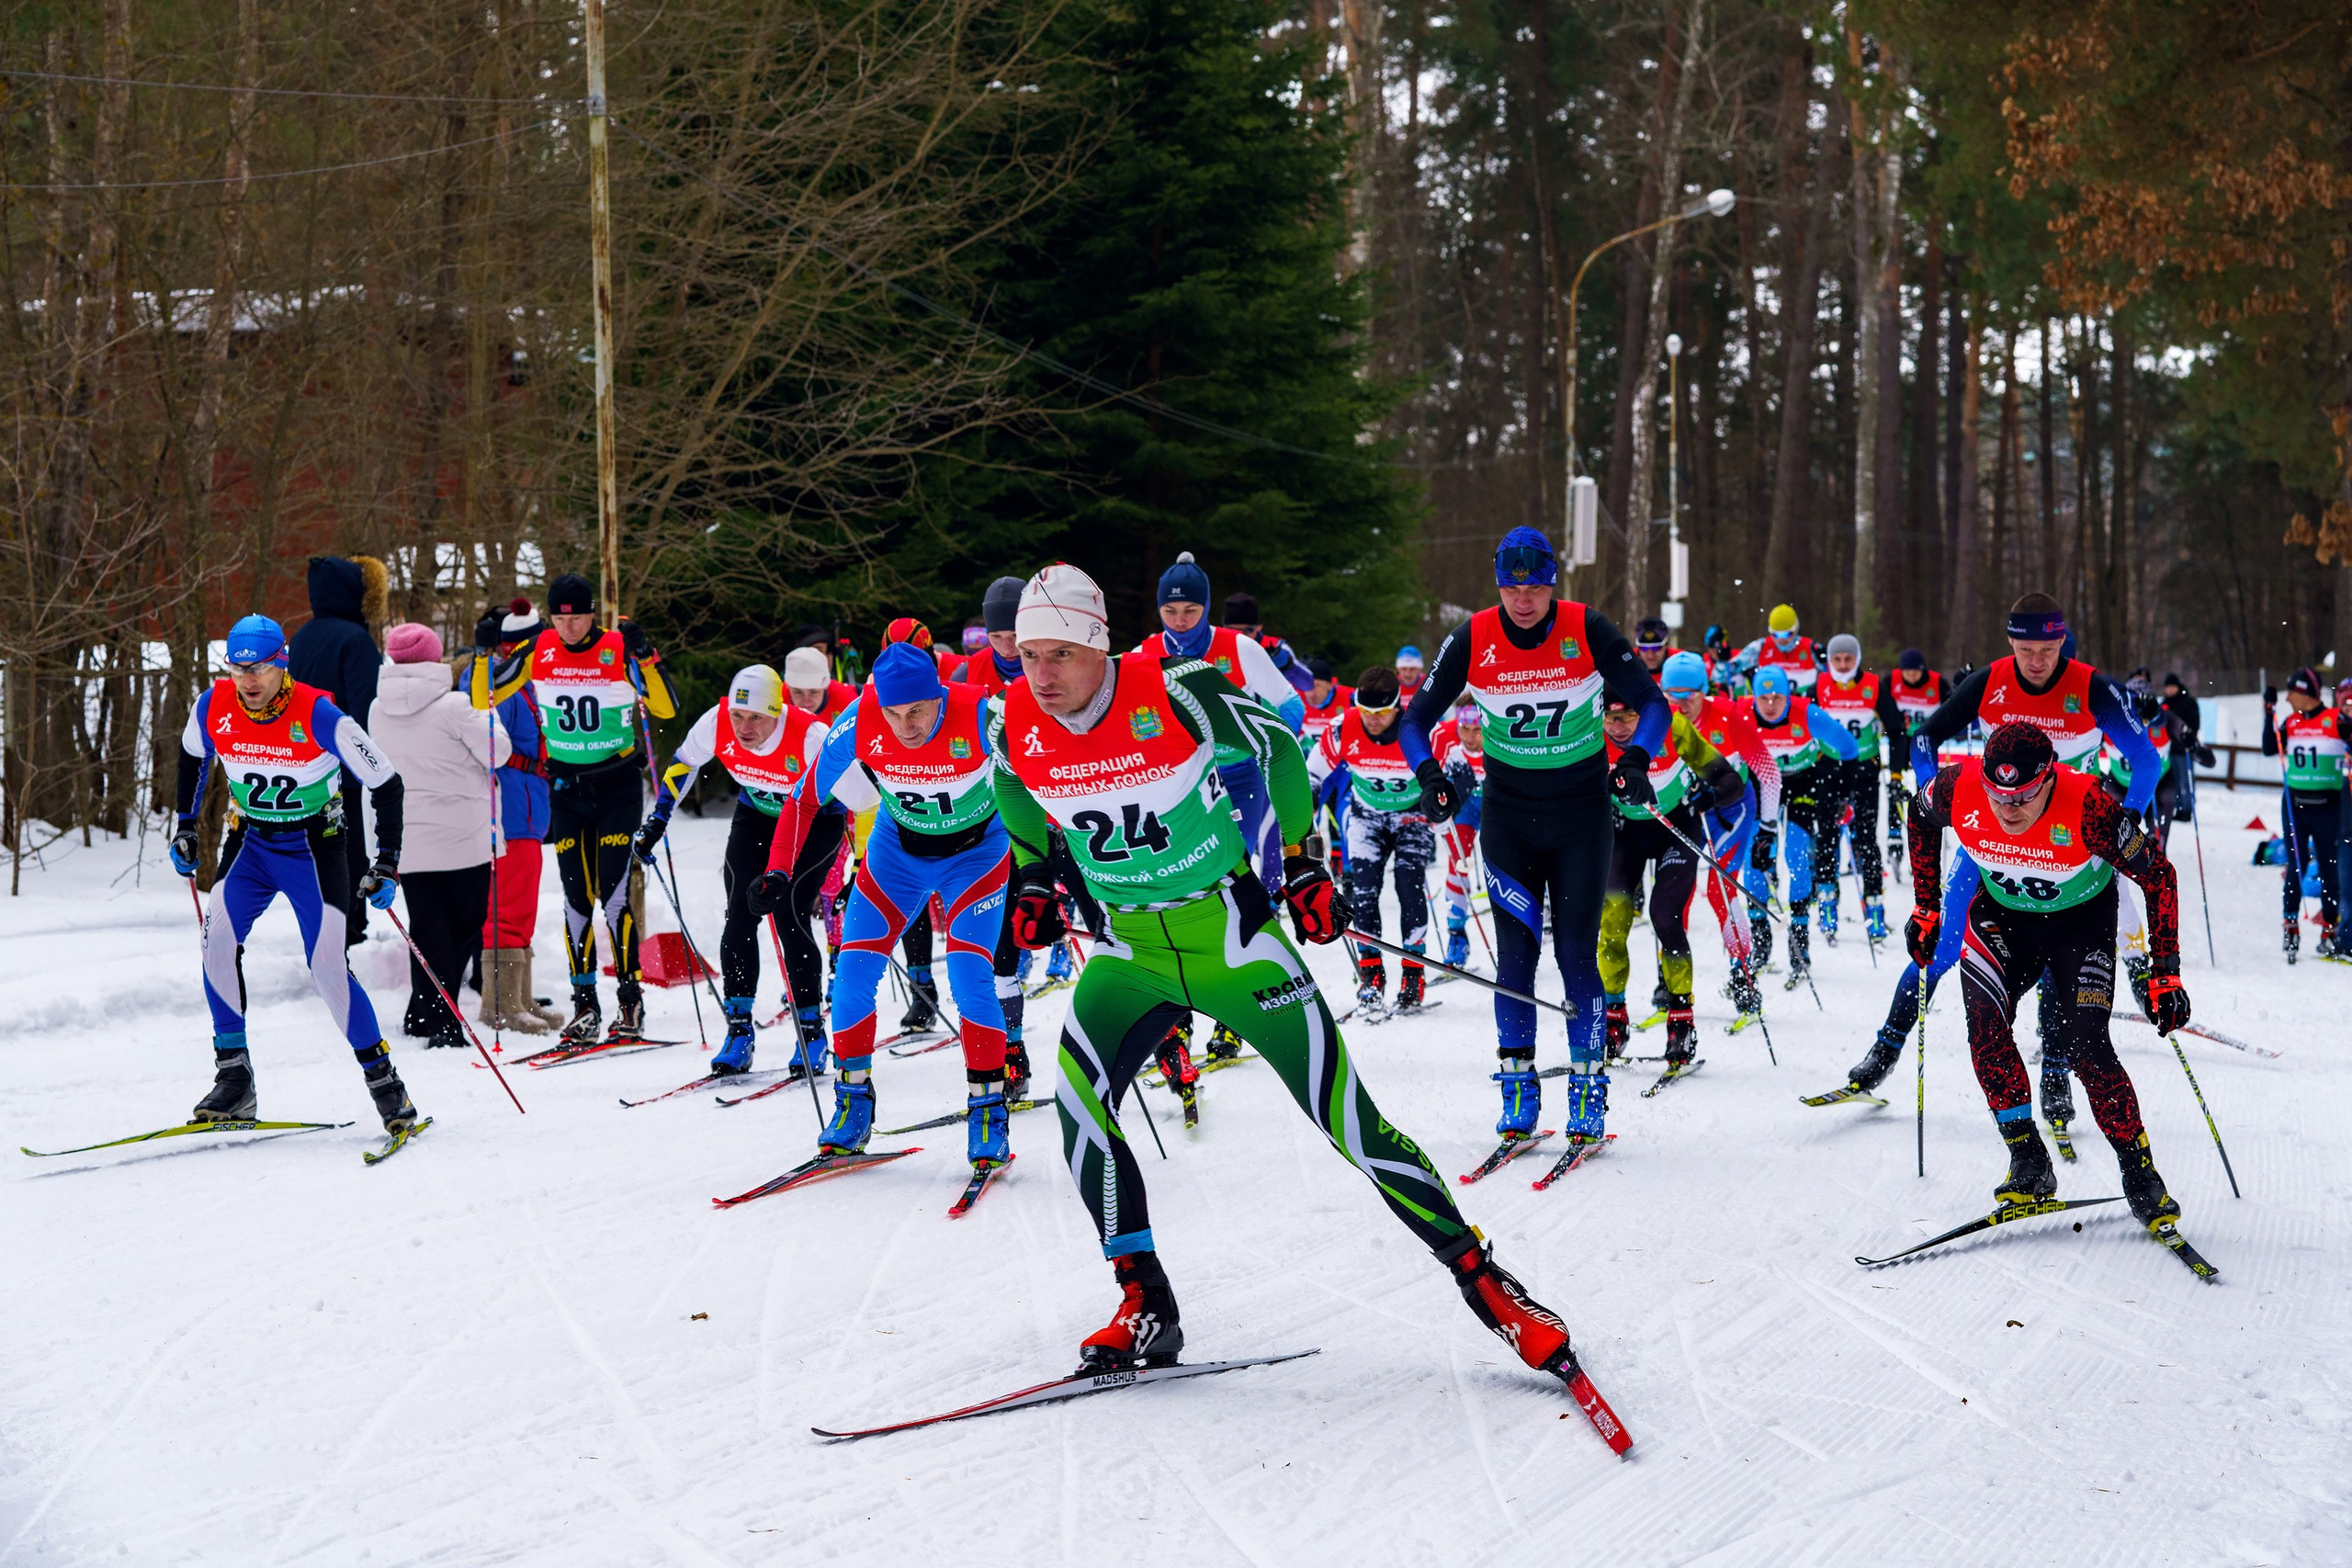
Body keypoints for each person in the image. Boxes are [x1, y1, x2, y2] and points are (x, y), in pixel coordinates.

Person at [990, 561, 1593, 1394]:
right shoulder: (1013, 715)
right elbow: (1010, 787)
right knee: (1077, 1108)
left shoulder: (1178, 688)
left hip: (1233, 942)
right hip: (1129, 954)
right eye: (1029, 655)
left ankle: (1493, 1290)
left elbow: (1278, 745)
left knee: (1351, 1122)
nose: (1042, 675)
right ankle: (1144, 1302)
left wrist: (1304, 859)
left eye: (1059, 653)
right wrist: (1029, 875)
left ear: (1097, 642)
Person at [1831, 594, 2160, 1136]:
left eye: (2048, 649)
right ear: (2011, 642)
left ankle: (2055, 1075)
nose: (2036, 660)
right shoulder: (1988, 682)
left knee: (2063, 957)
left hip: (2069, 845)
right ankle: (1885, 1049)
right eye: (2026, 649)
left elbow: (2145, 760)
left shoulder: (2091, 688)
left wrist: (2122, 827)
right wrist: (1933, 799)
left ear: (2062, 643)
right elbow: (1924, 736)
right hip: (1995, 841)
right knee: (1941, 943)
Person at [1400, 526, 1671, 1148]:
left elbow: (1652, 704)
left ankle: (1587, 1085)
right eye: (1510, 584)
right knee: (1515, 955)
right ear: (1498, 584)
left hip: (1580, 815)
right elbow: (1416, 717)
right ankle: (1517, 1086)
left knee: (1576, 950)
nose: (1523, 597)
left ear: (1553, 581)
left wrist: (1633, 761)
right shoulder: (1473, 636)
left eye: (1535, 584)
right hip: (1509, 818)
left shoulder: (1587, 627)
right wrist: (1429, 774)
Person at [1902, 721, 2191, 1235]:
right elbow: (1919, 818)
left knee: (2086, 1047)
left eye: (2024, 796)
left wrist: (2164, 973)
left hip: (2079, 923)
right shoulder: (1957, 786)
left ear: (2050, 778)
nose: (2008, 809)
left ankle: (2139, 1171)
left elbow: (2159, 876)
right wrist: (1926, 909)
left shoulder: (2088, 807)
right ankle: (2029, 1162)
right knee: (1984, 1028)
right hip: (2004, 917)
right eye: (1998, 794)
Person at [759, 642, 1013, 1172]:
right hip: (897, 857)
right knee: (850, 976)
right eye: (893, 713)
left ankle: (988, 1107)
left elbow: (1041, 778)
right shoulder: (857, 720)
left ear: (939, 696)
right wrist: (779, 867)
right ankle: (853, 1105)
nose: (905, 726)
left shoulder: (984, 713)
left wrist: (1050, 861)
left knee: (970, 976)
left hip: (978, 856)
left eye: (917, 711)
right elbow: (805, 797)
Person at [169, 615, 417, 1135]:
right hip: (251, 844)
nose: (248, 680)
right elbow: (193, 757)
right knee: (215, 942)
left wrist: (387, 861)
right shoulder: (213, 705)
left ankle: (386, 1085)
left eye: (258, 667)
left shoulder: (321, 713)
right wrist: (186, 826)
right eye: (238, 669)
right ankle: (234, 1079)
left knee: (327, 967)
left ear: (282, 664)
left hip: (315, 848)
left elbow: (387, 782)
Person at [469, 572, 676, 1043]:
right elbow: (482, 697)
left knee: (615, 894)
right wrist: (482, 655)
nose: (569, 628)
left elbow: (665, 708)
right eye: (561, 619)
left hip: (617, 784)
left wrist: (646, 654)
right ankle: (585, 1005)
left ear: (591, 614)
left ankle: (630, 1001)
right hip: (566, 787)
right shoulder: (539, 648)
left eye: (578, 617)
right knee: (576, 899)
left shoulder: (616, 649)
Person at [636, 664, 841, 1076]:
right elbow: (682, 764)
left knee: (790, 912)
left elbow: (861, 789)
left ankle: (811, 1032)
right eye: (738, 716)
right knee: (740, 914)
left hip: (814, 820)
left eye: (756, 718)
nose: (744, 727)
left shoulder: (809, 733)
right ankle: (739, 1031)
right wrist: (658, 820)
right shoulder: (716, 721)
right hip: (758, 812)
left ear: (777, 712)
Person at [369, 623, 512, 1048]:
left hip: (409, 838)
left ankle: (422, 1012)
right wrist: (490, 717)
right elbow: (497, 752)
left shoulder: (377, 709)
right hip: (463, 838)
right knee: (465, 927)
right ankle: (445, 1023)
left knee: (429, 928)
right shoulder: (455, 706)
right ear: (434, 659)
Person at [1598, 691, 1743, 1068]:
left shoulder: (1672, 728)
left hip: (1675, 827)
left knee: (1665, 915)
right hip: (1625, 832)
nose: (1618, 728)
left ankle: (1681, 1019)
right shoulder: (1590, 736)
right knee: (1612, 917)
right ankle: (1614, 1017)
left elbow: (1731, 781)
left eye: (1627, 717)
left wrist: (1705, 798)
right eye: (1609, 719)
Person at [1310, 667, 1442, 1013]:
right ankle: (1372, 975)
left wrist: (1441, 793)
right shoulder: (1342, 728)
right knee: (1364, 890)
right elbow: (1313, 772)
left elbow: (1446, 765)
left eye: (1382, 713)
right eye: (1366, 711)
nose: (1372, 720)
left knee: (1408, 883)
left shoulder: (1416, 729)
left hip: (1411, 816)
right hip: (1366, 815)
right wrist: (1309, 795)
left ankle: (1413, 972)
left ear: (1397, 707)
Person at [1658, 651, 1778, 1019]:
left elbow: (1769, 773)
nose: (1679, 705)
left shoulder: (1730, 715)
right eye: (1671, 696)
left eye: (1688, 696)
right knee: (1674, 893)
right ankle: (1668, 980)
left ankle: (1743, 977)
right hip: (1684, 811)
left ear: (1704, 691)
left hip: (1731, 810)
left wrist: (1769, 831)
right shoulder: (1656, 719)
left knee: (1719, 889)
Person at [469, 600, 561, 1034]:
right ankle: (499, 1004)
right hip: (509, 808)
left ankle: (519, 998)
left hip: (531, 807)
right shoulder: (502, 684)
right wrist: (484, 656)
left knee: (522, 907)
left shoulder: (530, 685)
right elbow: (477, 704)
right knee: (505, 907)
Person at [288, 554, 388, 943]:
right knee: (350, 851)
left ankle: (325, 926)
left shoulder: (302, 637)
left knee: (319, 850)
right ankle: (348, 930)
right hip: (346, 766)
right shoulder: (355, 640)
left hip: (303, 765)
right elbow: (367, 707)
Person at [1741, 665, 1860, 987]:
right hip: (1761, 781)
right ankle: (1761, 942)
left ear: (1788, 696)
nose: (1769, 704)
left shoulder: (1807, 713)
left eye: (1777, 697)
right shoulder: (1740, 712)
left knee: (1796, 854)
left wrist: (1843, 795)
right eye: (1762, 697)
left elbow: (1850, 748)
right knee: (1756, 860)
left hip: (1802, 784)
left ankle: (1800, 945)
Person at [1809, 633, 1894, 944]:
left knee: (1866, 838)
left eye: (1848, 659)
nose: (1842, 665)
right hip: (1829, 769)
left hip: (1864, 771)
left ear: (1857, 659)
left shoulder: (1872, 686)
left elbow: (1896, 727)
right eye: (1837, 659)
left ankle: (1874, 905)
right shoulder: (1818, 687)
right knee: (1827, 836)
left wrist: (1896, 770)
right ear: (1829, 661)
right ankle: (1827, 900)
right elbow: (1803, 722)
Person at [2262, 666, 2349, 959]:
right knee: (2296, 866)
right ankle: (2291, 926)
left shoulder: (2336, 720)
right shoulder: (2292, 721)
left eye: (2291, 693)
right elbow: (2267, 747)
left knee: (2328, 867)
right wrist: (2268, 711)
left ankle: (2330, 929)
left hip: (2329, 806)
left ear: (2305, 693)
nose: (2288, 699)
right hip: (2295, 806)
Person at [1428, 699, 1487, 969]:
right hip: (1464, 804)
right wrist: (1436, 812)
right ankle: (1457, 935)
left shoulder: (1500, 732)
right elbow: (1428, 777)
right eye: (1465, 729)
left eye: (1477, 730)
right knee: (1458, 860)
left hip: (1497, 804)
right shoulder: (1442, 735)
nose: (1471, 737)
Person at [1883, 649, 1945, 867]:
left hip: (1926, 742)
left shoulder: (1937, 683)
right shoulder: (1891, 680)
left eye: (1914, 673)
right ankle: (1894, 831)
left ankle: (1926, 825)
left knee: (1925, 788)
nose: (1910, 677)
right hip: (1901, 741)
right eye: (1906, 672)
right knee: (1895, 787)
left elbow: (1953, 703)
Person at [1223, 592, 1316, 695]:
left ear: (1259, 626)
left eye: (1247, 630)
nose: (1240, 636)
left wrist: (1288, 666)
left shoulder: (1275, 647)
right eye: (1232, 630)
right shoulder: (1216, 645)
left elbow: (1308, 685)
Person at [1737, 604, 1820, 696]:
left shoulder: (1811, 648)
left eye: (1786, 635)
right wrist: (1722, 660)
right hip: (1769, 706)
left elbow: (1834, 676)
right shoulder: (1759, 647)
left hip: (1803, 706)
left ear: (1795, 629)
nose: (1781, 640)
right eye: (1776, 635)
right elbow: (1725, 672)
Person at [786, 644, 858, 725]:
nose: (806, 701)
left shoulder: (848, 701)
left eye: (814, 692)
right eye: (798, 692)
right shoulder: (776, 699)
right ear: (787, 686)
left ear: (826, 685)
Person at [1300, 657, 1351, 743]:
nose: (1311, 693)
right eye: (1307, 685)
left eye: (1317, 686)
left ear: (1330, 685)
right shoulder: (1293, 698)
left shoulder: (1351, 698)